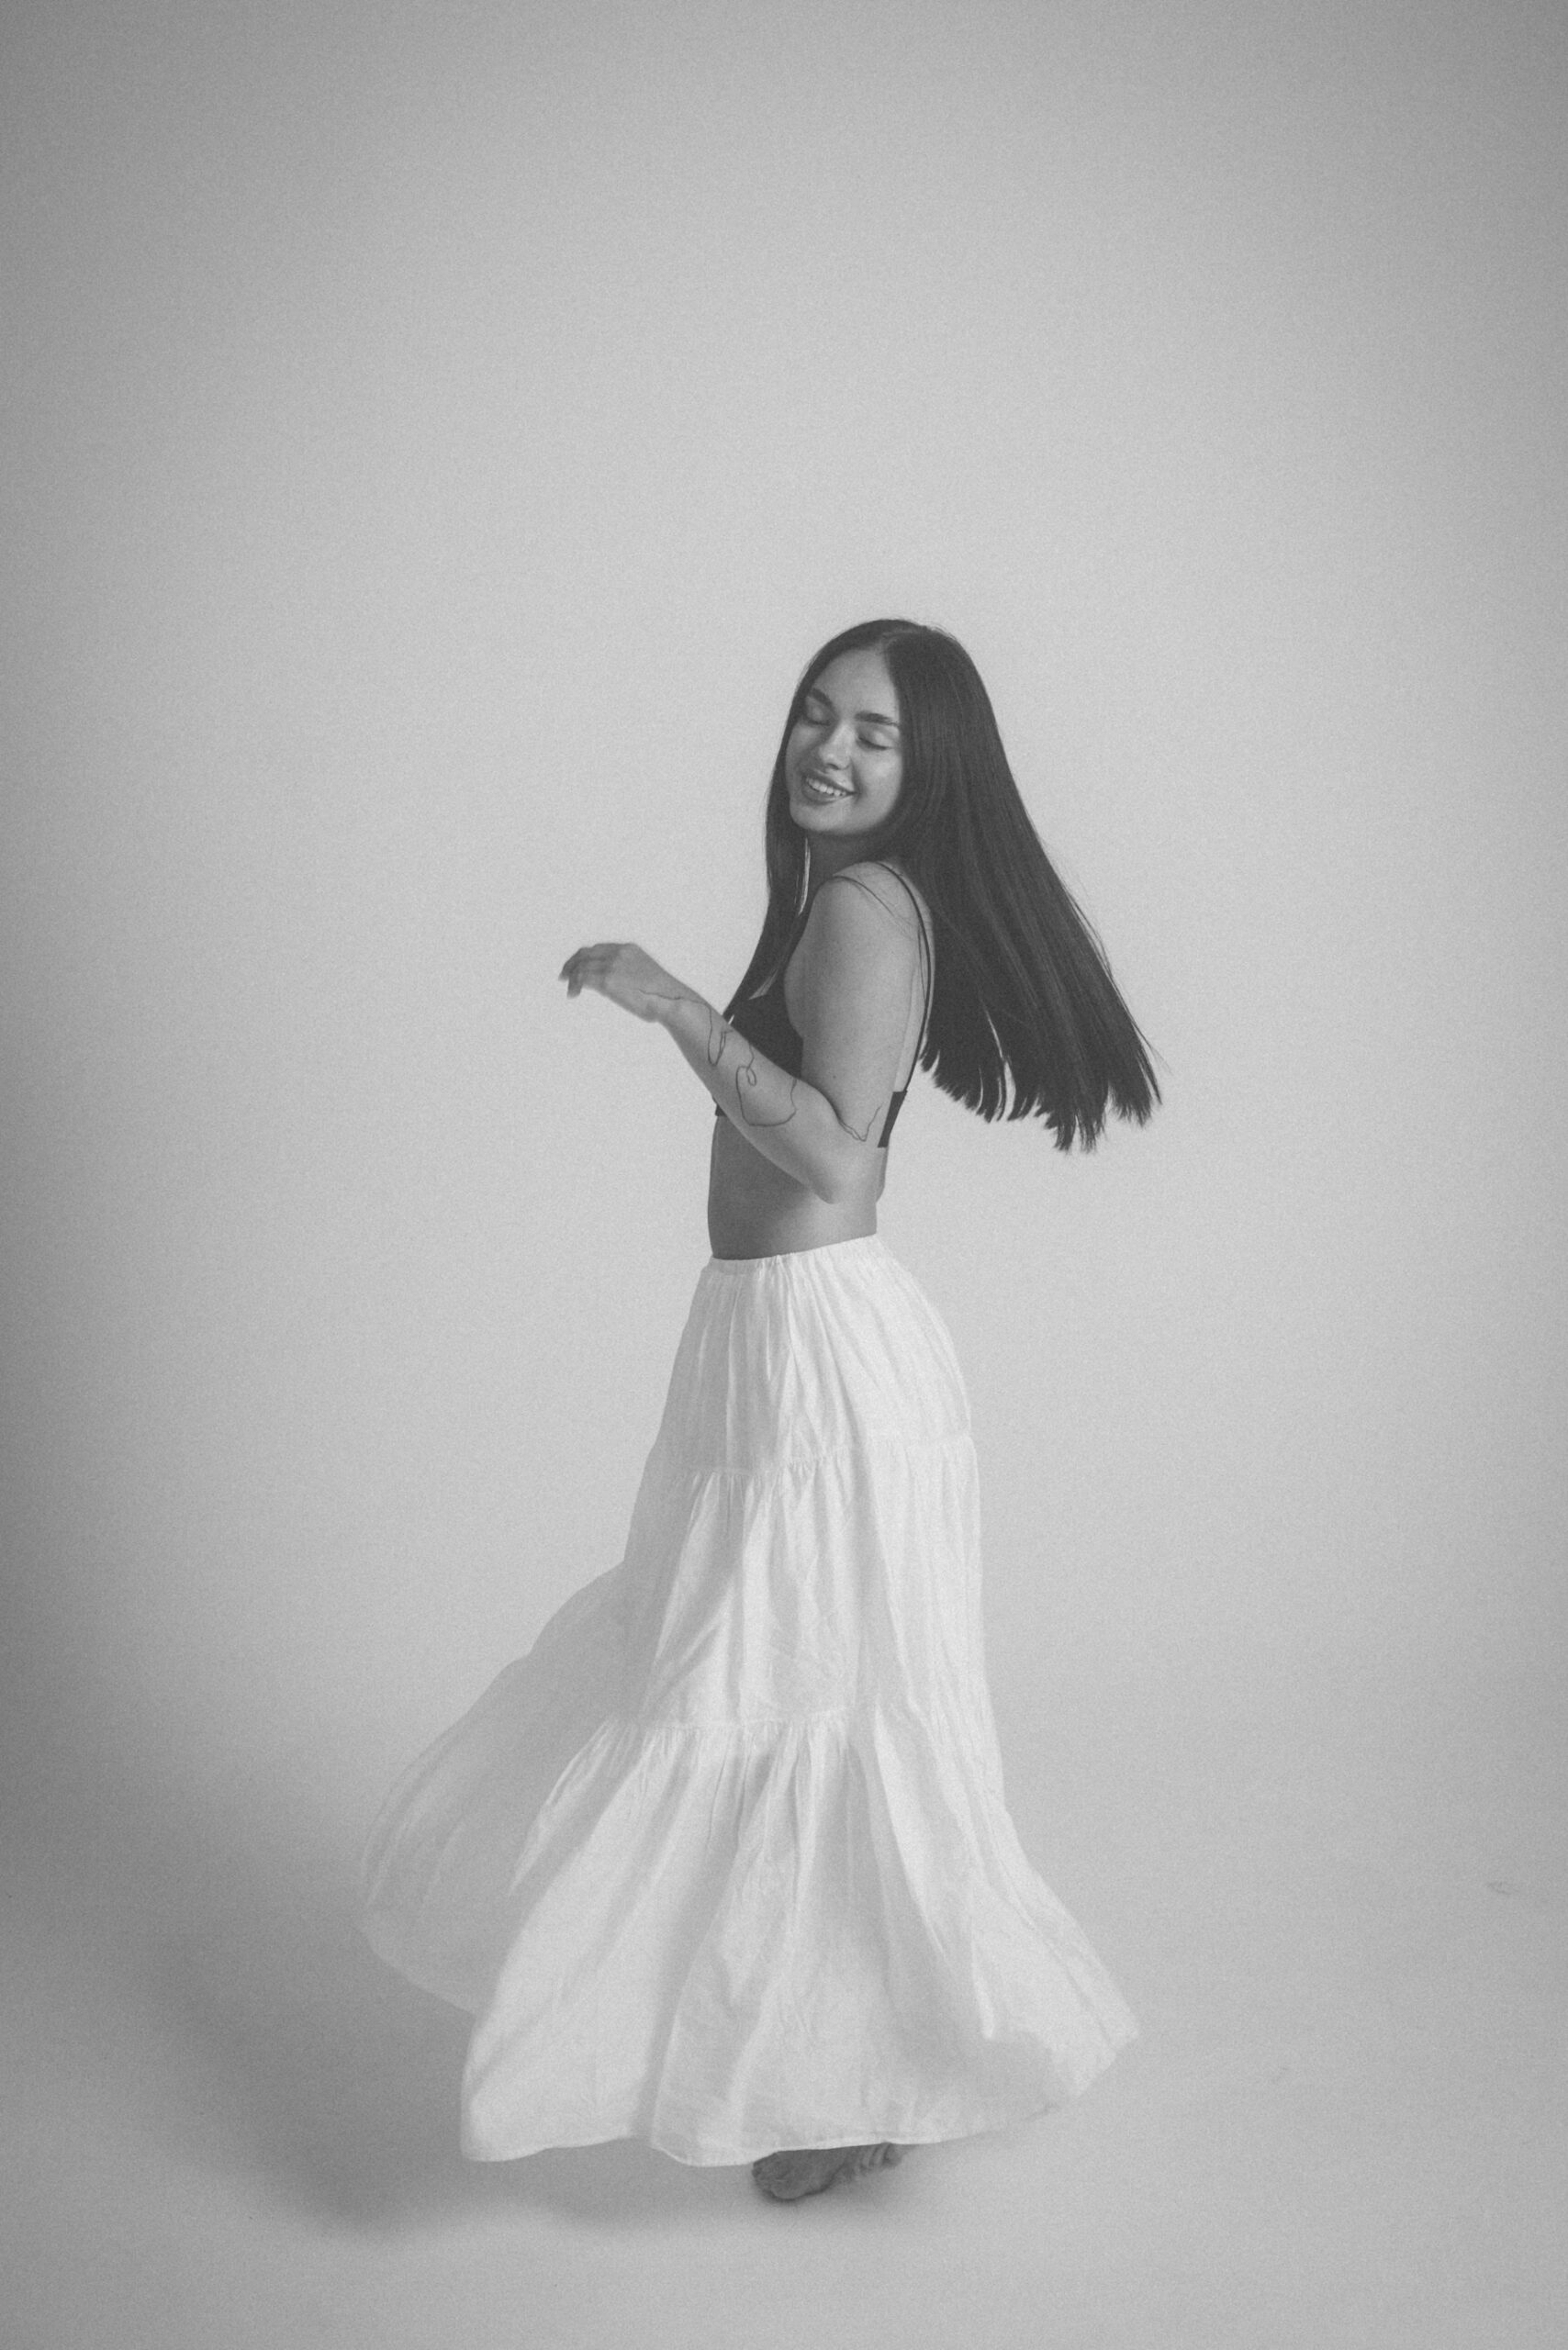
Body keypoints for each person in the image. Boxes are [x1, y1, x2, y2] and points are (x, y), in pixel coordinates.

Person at [358, 619, 1159, 2203]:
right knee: (765, 1689)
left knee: (789, 1703)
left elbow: (840, 1160)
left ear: (927, 768)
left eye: (873, 733)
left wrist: (673, 1005)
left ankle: (859, 2075)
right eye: (814, 714)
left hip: (818, 1355)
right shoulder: (848, 900)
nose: (829, 750)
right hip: (770, 1341)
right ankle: (830, 2067)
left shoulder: (864, 908)